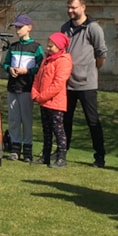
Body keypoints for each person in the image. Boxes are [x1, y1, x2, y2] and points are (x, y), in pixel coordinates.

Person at [59, 0, 109, 168]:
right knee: (65, 120)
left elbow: (101, 54)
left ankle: (100, 156)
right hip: (67, 82)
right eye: (69, 7)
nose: (70, 10)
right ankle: (62, 152)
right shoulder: (65, 28)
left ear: (83, 7)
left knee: (92, 120)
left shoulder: (93, 28)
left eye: (73, 7)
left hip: (87, 84)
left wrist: (91, 70)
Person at [2, 14, 44, 162]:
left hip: (27, 87)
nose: (18, 30)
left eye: (20, 27)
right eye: (16, 27)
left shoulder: (36, 48)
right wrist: (10, 69)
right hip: (13, 87)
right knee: (13, 119)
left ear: (29, 28)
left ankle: (27, 150)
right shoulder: (13, 47)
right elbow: (5, 63)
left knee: (26, 119)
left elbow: (40, 66)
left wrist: (27, 71)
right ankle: (14, 149)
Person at [31, 32, 72, 168]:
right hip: (44, 101)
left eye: (51, 46)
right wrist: (35, 93)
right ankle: (46, 155)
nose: (48, 49)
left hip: (55, 102)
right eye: (48, 46)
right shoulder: (46, 59)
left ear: (59, 47)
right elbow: (38, 77)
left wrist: (42, 96)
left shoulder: (64, 60)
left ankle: (61, 158)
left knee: (58, 130)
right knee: (46, 130)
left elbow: (58, 83)